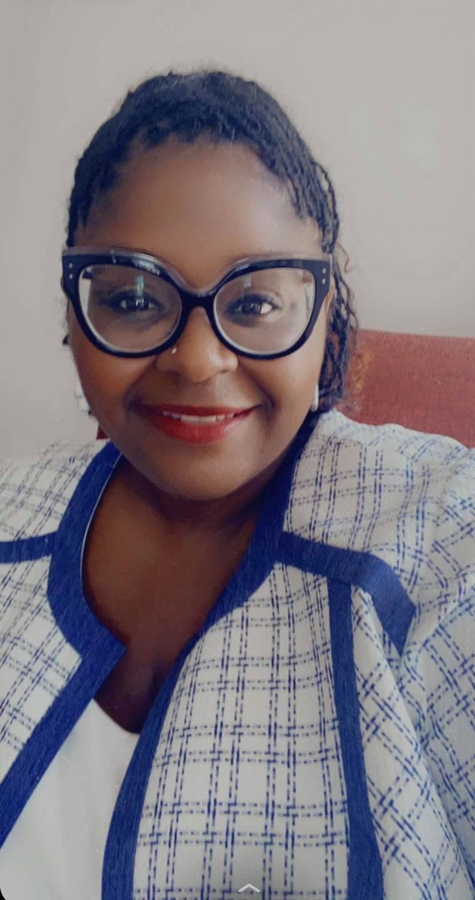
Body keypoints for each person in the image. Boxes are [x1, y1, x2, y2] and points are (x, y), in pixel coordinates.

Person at [0, 68, 474, 900]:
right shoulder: (10, 520)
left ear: (323, 312)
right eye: (134, 299)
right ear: (75, 314)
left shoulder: (435, 526)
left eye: (253, 304)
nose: (197, 359)